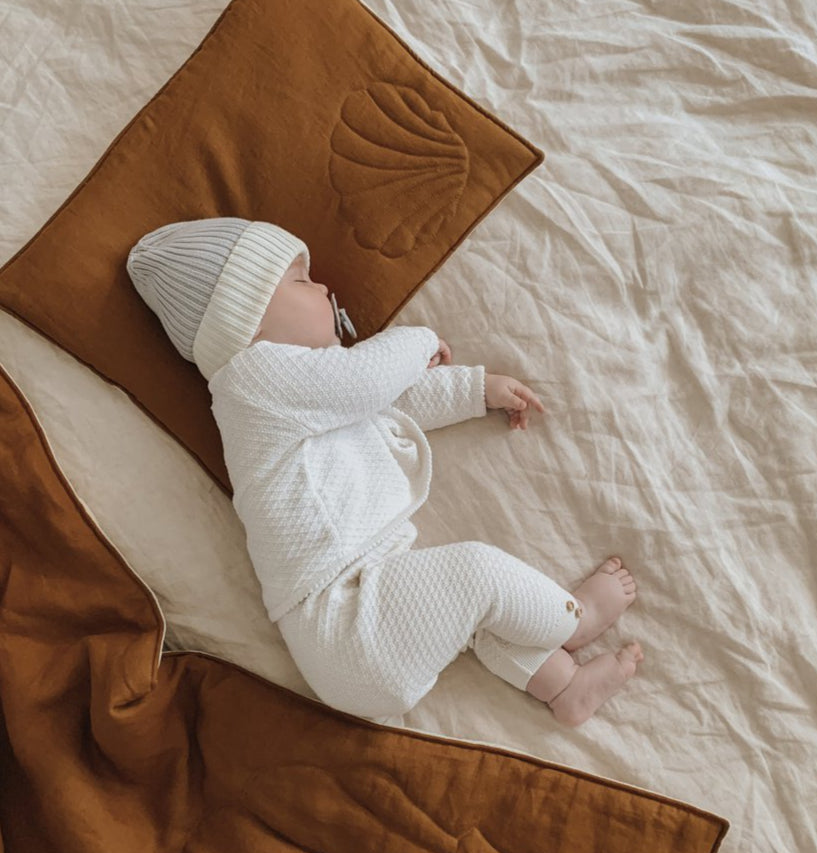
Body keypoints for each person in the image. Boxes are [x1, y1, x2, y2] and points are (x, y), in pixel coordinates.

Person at [127, 217, 643, 727]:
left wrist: (474, 391)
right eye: (301, 281)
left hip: (363, 619)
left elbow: (386, 407)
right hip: (344, 623)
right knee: (477, 574)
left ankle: (564, 686)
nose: (326, 287)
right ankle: (570, 620)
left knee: (472, 613)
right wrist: (419, 341)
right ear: (245, 319)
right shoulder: (252, 378)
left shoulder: (305, 393)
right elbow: (368, 383)